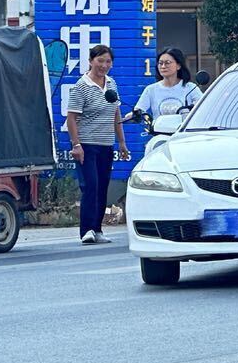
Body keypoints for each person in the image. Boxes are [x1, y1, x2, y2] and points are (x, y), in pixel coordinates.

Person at [66, 45, 129, 245]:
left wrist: (121, 142)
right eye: (100, 61)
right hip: (86, 144)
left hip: (106, 144)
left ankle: (98, 229)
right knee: (90, 186)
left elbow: (116, 113)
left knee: (102, 187)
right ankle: (86, 230)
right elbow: (71, 117)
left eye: (108, 61)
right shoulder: (81, 86)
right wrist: (76, 145)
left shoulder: (112, 84)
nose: (104, 65)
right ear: (91, 61)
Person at [135, 48, 204, 120]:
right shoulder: (151, 89)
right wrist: (134, 115)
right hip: (158, 130)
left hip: (182, 130)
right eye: (160, 63)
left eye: (167, 62)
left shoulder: (191, 88)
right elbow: (139, 110)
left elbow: (204, 107)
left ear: (178, 65)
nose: (163, 66)